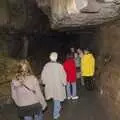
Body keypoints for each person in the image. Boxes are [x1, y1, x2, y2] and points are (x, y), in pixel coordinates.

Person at [41, 52, 66, 120]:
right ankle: (55, 114)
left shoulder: (46, 66)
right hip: (57, 86)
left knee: (55, 99)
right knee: (57, 99)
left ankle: (58, 107)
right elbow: (63, 76)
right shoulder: (59, 66)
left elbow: (43, 76)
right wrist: (64, 82)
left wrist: (44, 82)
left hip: (50, 86)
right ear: (56, 58)